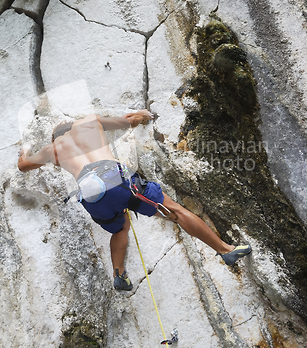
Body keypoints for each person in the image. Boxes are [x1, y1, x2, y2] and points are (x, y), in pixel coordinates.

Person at [18, 110, 251, 291]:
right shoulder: (90, 121)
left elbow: (23, 165)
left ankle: (119, 275)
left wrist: (25, 149)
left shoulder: (53, 148)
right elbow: (130, 120)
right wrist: (144, 115)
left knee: (119, 229)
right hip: (115, 177)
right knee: (175, 212)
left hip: (91, 195)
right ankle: (225, 250)